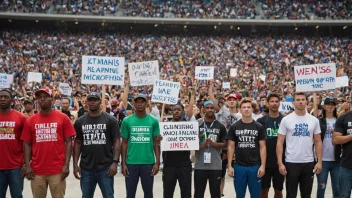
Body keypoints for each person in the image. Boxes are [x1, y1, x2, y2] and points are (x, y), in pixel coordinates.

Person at [21, 88, 76, 198]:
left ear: (52, 99)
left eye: (45, 97)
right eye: (39, 97)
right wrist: (27, 165)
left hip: (57, 170)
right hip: (37, 170)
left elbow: (69, 142)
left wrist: (66, 165)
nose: (42, 99)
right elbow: (26, 144)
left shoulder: (63, 118)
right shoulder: (30, 121)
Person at [73, 92, 121, 198]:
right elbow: (77, 143)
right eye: (90, 100)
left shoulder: (111, 120)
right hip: (86, 168)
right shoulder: (80, 122)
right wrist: (75, 164)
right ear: (86, 102)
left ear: (100, 101)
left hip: (106, 167)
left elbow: (117, 142)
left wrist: (115, 162)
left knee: (109, 196)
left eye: (95, 100)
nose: (92, 102)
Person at [276, 92, 323, 198]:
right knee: (291, 194)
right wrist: (280, 163)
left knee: (306, 194)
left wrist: (319, 162)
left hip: (308, 162)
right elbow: (279, 142)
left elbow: (318, 141)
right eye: (298, 100)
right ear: (293, 102)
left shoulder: (314, 120)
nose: (300, 102)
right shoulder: (286, 120)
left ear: (306, 101)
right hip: (291, 162)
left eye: (302, 99)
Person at [121, 93, 161, 198]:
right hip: (131, 163)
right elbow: (124, 142)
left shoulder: (153, 121)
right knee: (130, 194)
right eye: (137, 102)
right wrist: (123, 163)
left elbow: (156, 143)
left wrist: (157, 162)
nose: (139, 104)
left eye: (142, 102)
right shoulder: (126, 121)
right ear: (134, 104)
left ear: (146, 104)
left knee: (148, 194)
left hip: (148, 163)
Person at [227, 97, 267, 198]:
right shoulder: (234, 127)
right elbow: (231, 146)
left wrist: (262, 165)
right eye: (244, 107)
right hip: (239, 166)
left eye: (248, 107)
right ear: (240, 109)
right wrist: (230, 166)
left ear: (252, 109)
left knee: (255, 195)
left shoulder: (259, 127)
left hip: (255, 166)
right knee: (239, 195)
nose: (246, 109)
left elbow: (263, 147)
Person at [194, 100, 227, 198]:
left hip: (215, 166)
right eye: (207, 108)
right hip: (200, 165)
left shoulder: (220, 125)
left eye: (212, 108)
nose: (209, 110)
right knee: (198, 193)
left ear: (214, 110)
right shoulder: (196, 124)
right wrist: (201, 146)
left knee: (215, 194)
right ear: (203, 109)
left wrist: (213, 144)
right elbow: (190, 143)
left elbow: (225, 144)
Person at [0, 89, 27, 198]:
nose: (2, 99)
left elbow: (26, 142)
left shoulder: (21, 118)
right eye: (1, 96)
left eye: (6, 97)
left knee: (17, 195)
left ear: (11, 100)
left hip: (16, 166)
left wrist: (25, 163)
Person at [257, 93, 284, 198]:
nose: (274, 104)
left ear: (279, 103)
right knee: (264, 190)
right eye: (272, 101)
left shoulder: (285, 120)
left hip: (280, 161)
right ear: (267, 104)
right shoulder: (260, 121)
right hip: (265, 161)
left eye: (276, 101)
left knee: (278, 190)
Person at [313, 94, 341, 198]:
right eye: (328, 104)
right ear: (324, 106)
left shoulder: (339, 120)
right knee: (321, 187)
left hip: (337, 160)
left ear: (335, 106)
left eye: (332, 104)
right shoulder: (318, 121)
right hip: (322, 160)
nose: (330, 106)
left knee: (337, 188)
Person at [162, 103, 192, 198]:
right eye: (174, 109)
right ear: (172, 111)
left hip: (184, 164)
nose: (177, 111)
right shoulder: (165, 126)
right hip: (169, 164)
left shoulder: (189, 126)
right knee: (168, 192)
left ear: (183, 111)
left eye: (179, 109)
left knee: (186, 192)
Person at [333, 106, 352, 198]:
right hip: (347, 165)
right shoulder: (343, 117)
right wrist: (351, 136)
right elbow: (336, 140)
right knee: (344, 195)